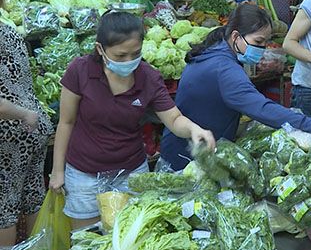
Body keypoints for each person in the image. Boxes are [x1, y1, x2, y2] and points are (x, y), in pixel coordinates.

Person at [48, 12, 215, 229]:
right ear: (100, 49)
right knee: (86, 239)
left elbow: (173, 119)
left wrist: (194, 129)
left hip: (131, 174)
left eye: (135, 54)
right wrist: (58, 171)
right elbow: (66, 122)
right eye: (120, 55)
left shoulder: (148, 77)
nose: (129, 61)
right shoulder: (80, 71)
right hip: (84, 175)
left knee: (131, 235)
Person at [160, 4, 311, 171]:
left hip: (191, 147)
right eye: (259, 42)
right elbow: (262, 108)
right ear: (235, 36)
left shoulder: (217, 51)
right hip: (186, 157)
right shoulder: (224, 69)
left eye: (265, 42)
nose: (263, 48)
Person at [0, 0, 54, 246]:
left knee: (4, 209)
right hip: (35, 125)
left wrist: (20, 115)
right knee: (32, 196)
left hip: (8, 129)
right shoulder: (9, 31)